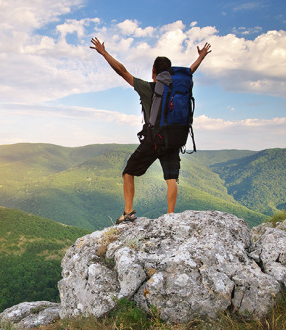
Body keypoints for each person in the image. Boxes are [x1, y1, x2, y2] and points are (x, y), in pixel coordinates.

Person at [90, 37, 211, 224]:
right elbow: (191, 70)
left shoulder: (149, 88)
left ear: (154, 72)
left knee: (128, 171)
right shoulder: (179, 88)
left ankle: (128, 212)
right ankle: (171, 215)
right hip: (176, 137)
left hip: (155, 139)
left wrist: (104, 53)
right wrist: (201, 57)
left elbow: (122, 71)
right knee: (171, 178)